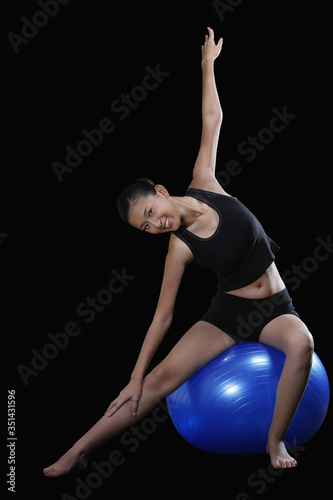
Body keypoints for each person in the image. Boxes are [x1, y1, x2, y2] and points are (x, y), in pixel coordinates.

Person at [43, 27, 314, 476]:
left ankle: (275, 439)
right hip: (229, 315)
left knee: (302, 344)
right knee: (156, 383)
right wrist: (134, 376)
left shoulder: (205, 183)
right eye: (145, 226)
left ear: (162, 191)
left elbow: (213, 120)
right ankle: (78, 450)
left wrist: (208, 66)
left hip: (276, 306)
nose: (155, 224)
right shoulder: (179, 248)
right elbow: (162, 316)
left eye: (152, 211)